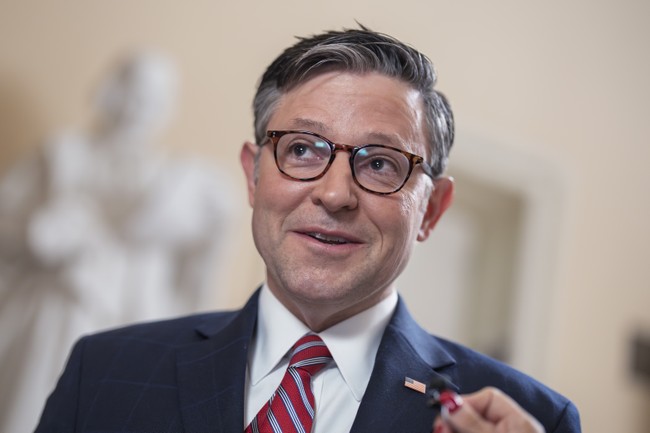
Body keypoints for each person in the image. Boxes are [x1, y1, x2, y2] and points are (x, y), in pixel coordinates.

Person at [34, 27, 581, 433]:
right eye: (301, 150)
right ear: (253, 175)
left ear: (432, 210)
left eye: (380, 163)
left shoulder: (535, 419)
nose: (335, 194)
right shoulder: (102, 372)